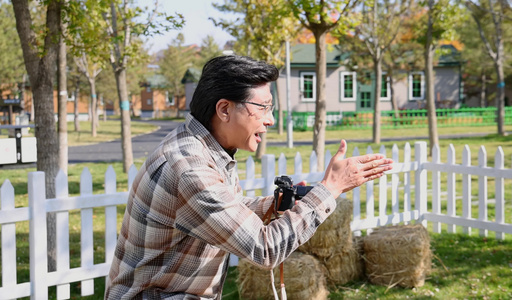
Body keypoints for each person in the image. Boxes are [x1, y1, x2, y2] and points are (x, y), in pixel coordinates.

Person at [105, 55, 393, 299]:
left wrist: (277, 204)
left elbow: (223, 210)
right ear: (224, 109)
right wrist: (330, 189)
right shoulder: (189, 168)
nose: (269, 119)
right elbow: (265, 248)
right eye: (262, 107)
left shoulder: (202, 147)